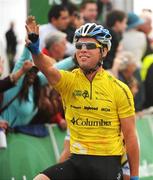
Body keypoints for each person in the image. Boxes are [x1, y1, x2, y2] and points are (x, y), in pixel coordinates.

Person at [26, 16, 139, 180]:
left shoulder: (119, 89)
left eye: (90, 45)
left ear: (104, 51)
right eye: (79, 45)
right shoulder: (69, 81)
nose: (83, 49)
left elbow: (130, 136)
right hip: (77, 161)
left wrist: (134, 176)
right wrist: (35, 51)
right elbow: (48, 69)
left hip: (107, 163)